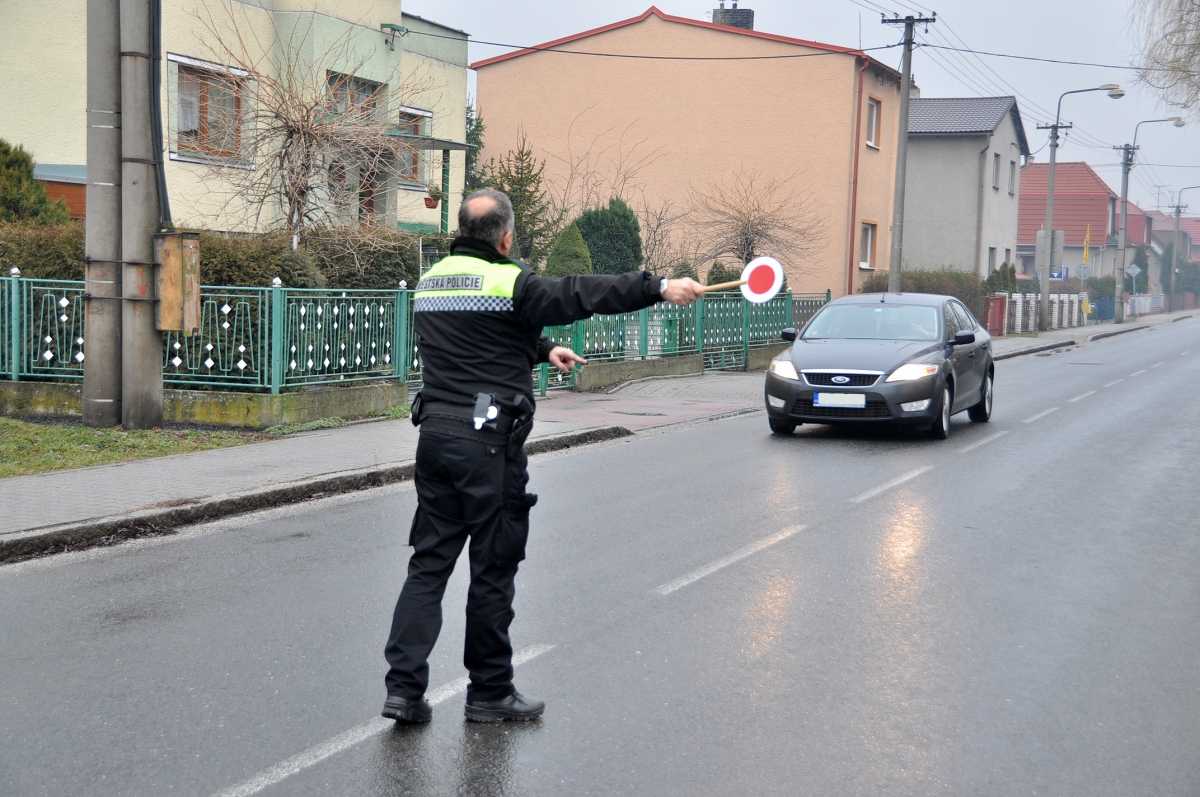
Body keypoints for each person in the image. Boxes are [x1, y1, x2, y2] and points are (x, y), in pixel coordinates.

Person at [382, 189, 704, 724]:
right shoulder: (513, 281)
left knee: (428, 565)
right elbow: (578, 293)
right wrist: (660, 287)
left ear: (462, 230)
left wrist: (540, 348)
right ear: (506, 237)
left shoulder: (431, 281)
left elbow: (476, 337)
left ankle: (403, 690)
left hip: (435, 437)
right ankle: (489, 692)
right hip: (488, 446)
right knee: (492, 569)